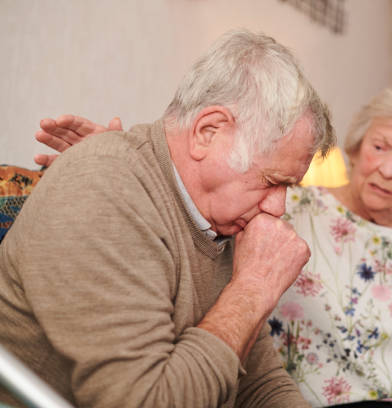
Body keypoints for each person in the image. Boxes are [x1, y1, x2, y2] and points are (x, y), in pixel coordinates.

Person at [32, 86, 392, 408]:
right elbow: (205, 187)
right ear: (358, 147)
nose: (387, 168)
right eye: (380, 147)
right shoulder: (288, 206)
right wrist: (122, 159)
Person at [0, 29, 335, 408]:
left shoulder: (217, 220)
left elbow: (260, 384)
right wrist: (253, 289)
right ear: (208, 132)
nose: (278, 207)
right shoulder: (104, 185)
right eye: (272, 181)